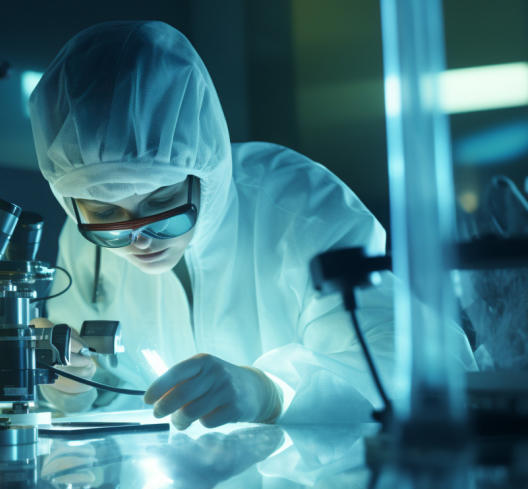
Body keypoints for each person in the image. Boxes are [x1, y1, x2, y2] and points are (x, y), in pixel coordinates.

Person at [28, 21, 474, 428]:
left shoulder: (301, 209)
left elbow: (428, 367)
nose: (139, 236)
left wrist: (270, 391)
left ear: (206, 172)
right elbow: (97, 385)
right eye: (107, 213)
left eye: (162, 202)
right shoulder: (85, 239)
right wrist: (76, 388)